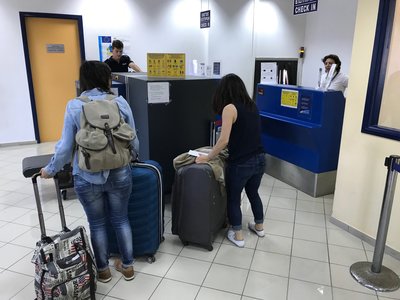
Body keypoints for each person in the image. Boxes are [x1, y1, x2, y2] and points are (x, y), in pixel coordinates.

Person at [40, 61, 139, 283]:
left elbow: (65, 148)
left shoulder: (75, 105)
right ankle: (128, 266)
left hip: (87, 175)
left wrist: (50, 169)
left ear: (83, 80)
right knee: (121, 219)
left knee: (97, 223)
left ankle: (103, 270)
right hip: (120, 171)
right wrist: (130, 159)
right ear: (107, 79)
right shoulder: (120, 102)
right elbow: (134, 138)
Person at [195, 73, 266, 248]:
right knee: (253, 193)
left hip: (241, 162)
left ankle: (238, 235)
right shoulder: (252, 105)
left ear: (224, 90)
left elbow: (224, 139)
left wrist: (208, 156)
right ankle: (259, 227)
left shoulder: (230, 108)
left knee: (233, 198)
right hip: (260, 159)